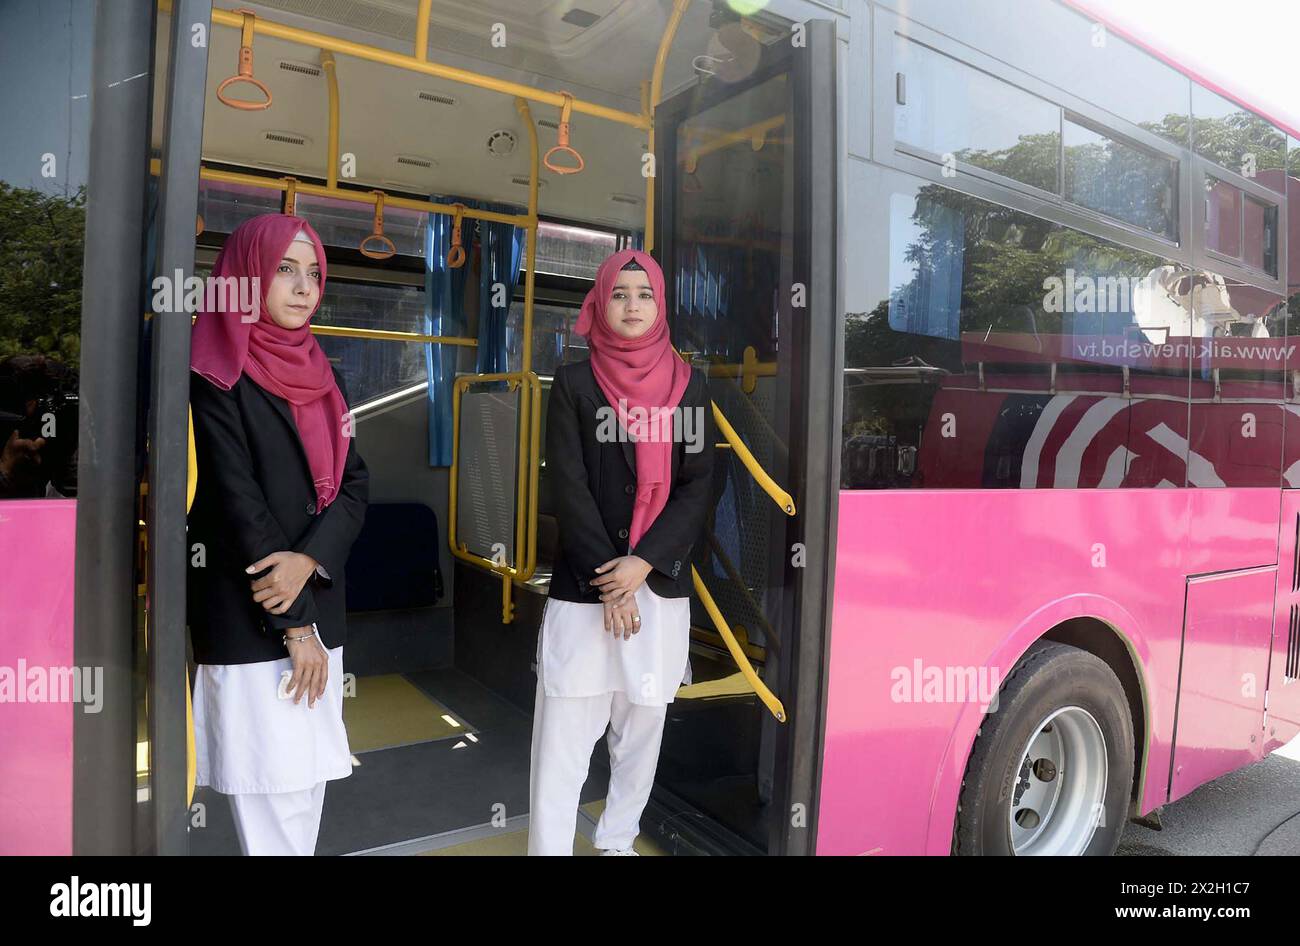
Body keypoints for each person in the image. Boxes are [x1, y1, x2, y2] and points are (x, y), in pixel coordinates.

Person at [186, 213, 368, 856]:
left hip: (315, 605)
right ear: (245, 276)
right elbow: (239, 504)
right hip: (253, 616)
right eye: (283, 270)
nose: (302, 286)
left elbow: (354, 488)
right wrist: (294, 624)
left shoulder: (329, 376)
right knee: (273, 793)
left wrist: (309, 561)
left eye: (313, 272)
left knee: (307, 783)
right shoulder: (214, 372)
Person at [529, 248, 715, 856]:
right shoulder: (575, 382)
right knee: (563, 742)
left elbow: (696, 486)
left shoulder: (690, 386)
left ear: (660, 305)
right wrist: (610, 580)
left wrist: (642, 565)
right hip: (587, 593)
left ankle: (616, 843)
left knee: (641, 735)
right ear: (600, 303)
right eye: (619, 294)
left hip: (656, 592)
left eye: (645, 295)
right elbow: (568, 484)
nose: (632, 306)